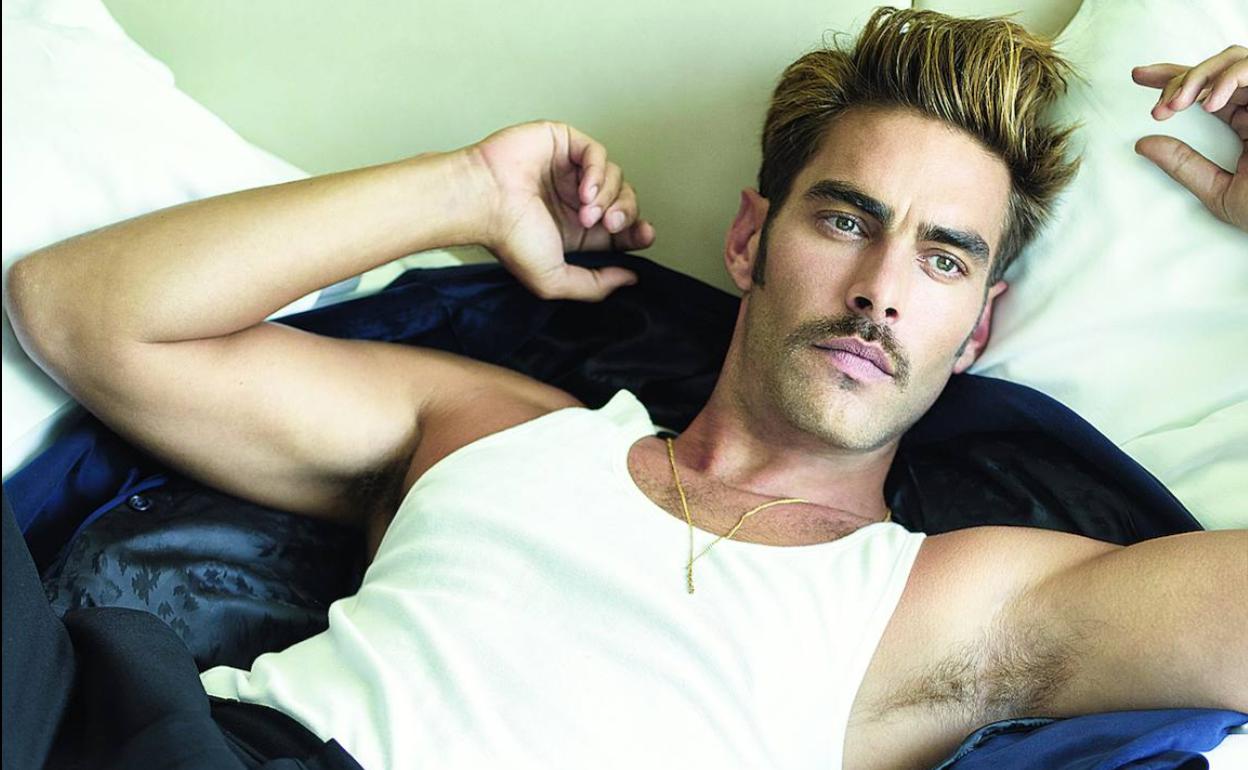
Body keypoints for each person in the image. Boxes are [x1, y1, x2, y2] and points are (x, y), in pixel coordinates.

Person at [4, 8, 1246, 770]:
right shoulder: (498, 426)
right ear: (751, 240)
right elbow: (80, 312)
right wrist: (466, 189)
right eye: (846, 218)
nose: (880, 288)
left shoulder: (941, 604)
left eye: (943, 257)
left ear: (977, 329)